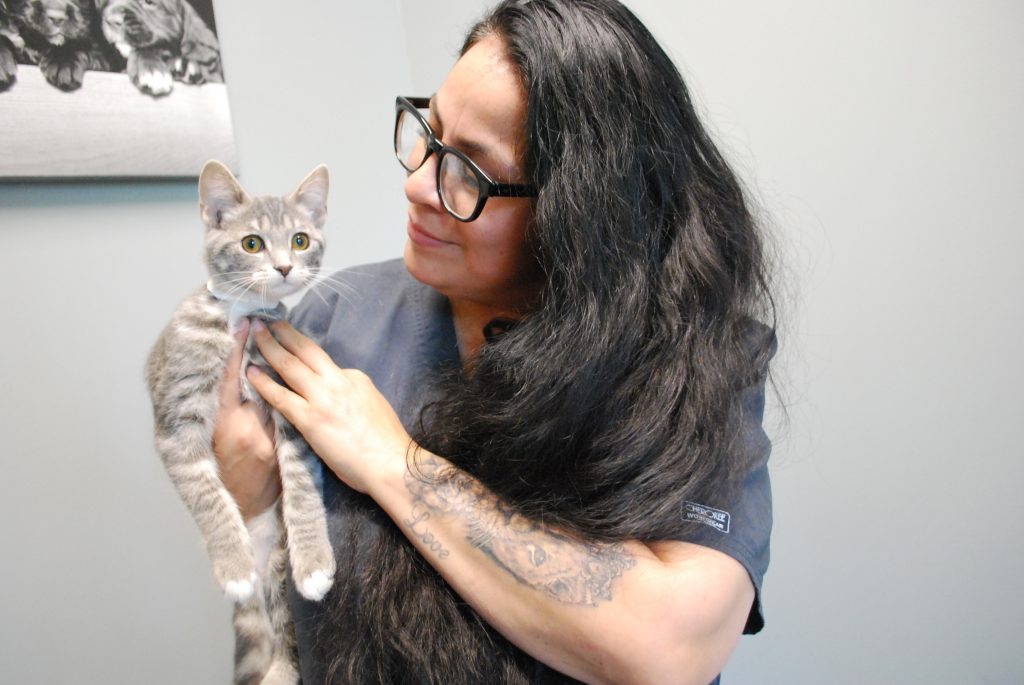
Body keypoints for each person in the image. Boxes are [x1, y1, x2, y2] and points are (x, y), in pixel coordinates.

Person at [214, 1, 777, 683]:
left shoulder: (695, 359)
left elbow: (671, 647)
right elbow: (283, 595)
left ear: (581, 215)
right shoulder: (335, 319)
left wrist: (392, 462)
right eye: (429, 132)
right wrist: (248, 496)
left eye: (469, 172)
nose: (417, 183)